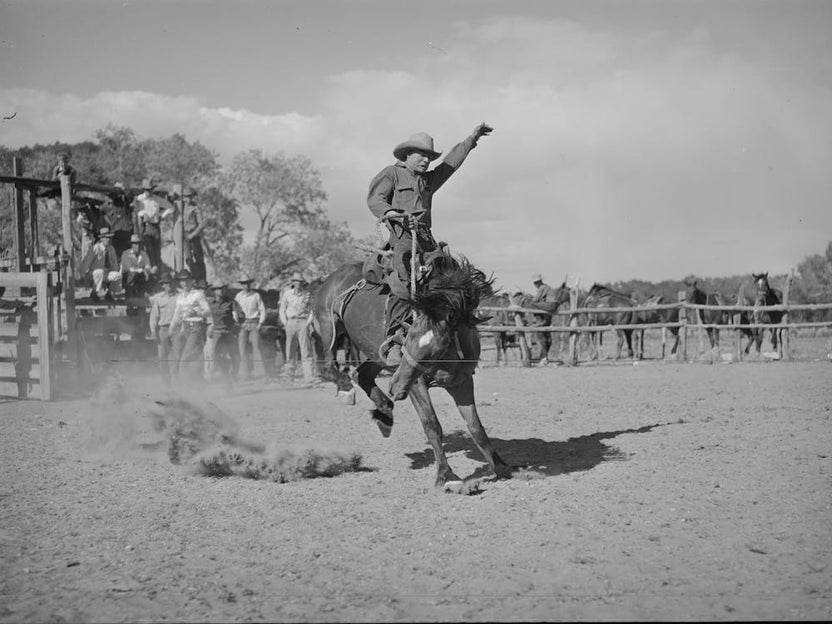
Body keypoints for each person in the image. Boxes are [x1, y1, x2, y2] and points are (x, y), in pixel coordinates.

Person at [367, 122, 493, 366]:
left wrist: (472, 139)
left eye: (429, 156)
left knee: (452, 276)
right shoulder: (391, 174)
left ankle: (455, 332)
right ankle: (394, 340)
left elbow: (451, 163)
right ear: (407, 155)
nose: (426, 160)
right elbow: (375, 199)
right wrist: (392, 212)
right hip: (403, 238)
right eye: (422, 155)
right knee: (404, 283)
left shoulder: (428, 180)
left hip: (426, 239)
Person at [169, 270, 213, 382]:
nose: (184, 283)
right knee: (178, 356)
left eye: (187, 280)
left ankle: (186, 389)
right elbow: (177, 314)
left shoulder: (198, 294)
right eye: (182, 281)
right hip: (184, 327)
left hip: (196, 327)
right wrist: (171, 327)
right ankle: (194, 384)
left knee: (186, 358)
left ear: (191, 281)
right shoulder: (180, 297)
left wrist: (196, 313)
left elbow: (207, 312)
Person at [279, 272, 317, 384]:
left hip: (302, 322)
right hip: (290, 322)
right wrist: (285, 322)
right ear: (293, 282)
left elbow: (311, 310)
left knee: (306, 350)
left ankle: (309, 378)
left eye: (300, 281)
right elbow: (282, 309)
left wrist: (308, 322)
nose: (298, 283)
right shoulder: (287, 294)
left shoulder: (307, 295)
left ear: (302, 283)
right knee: (290, 350)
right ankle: (289, 377)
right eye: (296, 281)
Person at [207, 282, 242, 388]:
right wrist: (209, 326)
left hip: (229, 332)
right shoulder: (209, 303)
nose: (220, 291)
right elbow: (203, 314)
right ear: (214, 291)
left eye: (222, 289)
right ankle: (224, 378)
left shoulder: (231, 302)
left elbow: (240, 313)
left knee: (236, 357)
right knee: (216, 357)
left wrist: (239, 320)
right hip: (217, 332)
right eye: (217, 289)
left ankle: (234, 376)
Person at [135, 179, 172, 273]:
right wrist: (143, 214)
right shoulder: (139, 199)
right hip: (145, 226)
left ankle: (158, 275)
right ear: (143, 190)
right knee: (148, 250)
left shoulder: (157, 199)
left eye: (150, 189)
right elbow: (137, 211)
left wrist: (161, 216)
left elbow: (171, 208)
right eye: (146, 189)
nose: (148, 192)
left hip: (155, 227)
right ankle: (150, 274)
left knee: (157, 251)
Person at [234, 275, 266, 380]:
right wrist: (237, 321)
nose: (245, 285)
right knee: (242, 348)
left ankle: (259, 373)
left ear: (250, 284)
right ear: (241, 285)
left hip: (254, 322)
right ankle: (244, 373)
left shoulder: (256, 295)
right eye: (243, 283)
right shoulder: (238, 296)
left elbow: (262, 310)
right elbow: (234, 310)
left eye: (247, 283)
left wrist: (260, 323)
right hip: (243, 323)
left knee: (256, 348)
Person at [148, 274, 178, 384]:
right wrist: (153, 331)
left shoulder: (179, 297)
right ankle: (166, 385)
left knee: (175, 357)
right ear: (163, 285)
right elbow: (154, 316)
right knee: (162, 358)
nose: (168, 285)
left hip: (176, 329)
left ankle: (176, 383)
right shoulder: (159, 299)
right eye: (166, 283)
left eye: (170, 282)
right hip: (163, 329)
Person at [529, 274, 561, 366]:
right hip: (553, 305)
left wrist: (532, 299)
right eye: (535, 282)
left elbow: (535, 300)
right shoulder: (546, 287)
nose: (535, 284)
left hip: (551, 305)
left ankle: (539, 320)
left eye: (536, 282)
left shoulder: (542, 288)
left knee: (531, 304)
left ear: (539, 282)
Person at [85, 227, 122, 301]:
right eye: (106, 237)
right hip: (94, 273)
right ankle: (95, 293)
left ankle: (109, 293)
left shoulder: (111, 249)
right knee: (99, 271)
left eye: (109, 237)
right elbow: (87, 262)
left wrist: (115, 272)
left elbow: (114, 265)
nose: (108, 239)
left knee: (118, 275)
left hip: (105, 273)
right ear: (101, 238)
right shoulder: (96, 248)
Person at [182, 187, 207, 281]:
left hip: (194, 234)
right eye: (185, 196)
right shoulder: (181, 206)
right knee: (188, 258)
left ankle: (203, 280)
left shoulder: (196, 208)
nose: (187, 199)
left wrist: (193, 234)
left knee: (198, 258)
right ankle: (195, 277)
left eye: (189, 196)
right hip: (184, 235)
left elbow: (201, 224)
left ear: (192, 197)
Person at [120, 234, 152, 299]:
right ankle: (129, 296)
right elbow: (129, 268)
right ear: (131, 245)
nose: (137, 246)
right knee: (134, 274)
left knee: (147, 274)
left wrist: (146, 271)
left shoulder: (144, 254)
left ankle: (142, 296)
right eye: (135, 244)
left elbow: (148, 266)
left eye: (139, 244)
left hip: (140, 276)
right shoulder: (126, 253)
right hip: (127, 277)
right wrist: (142, 270)